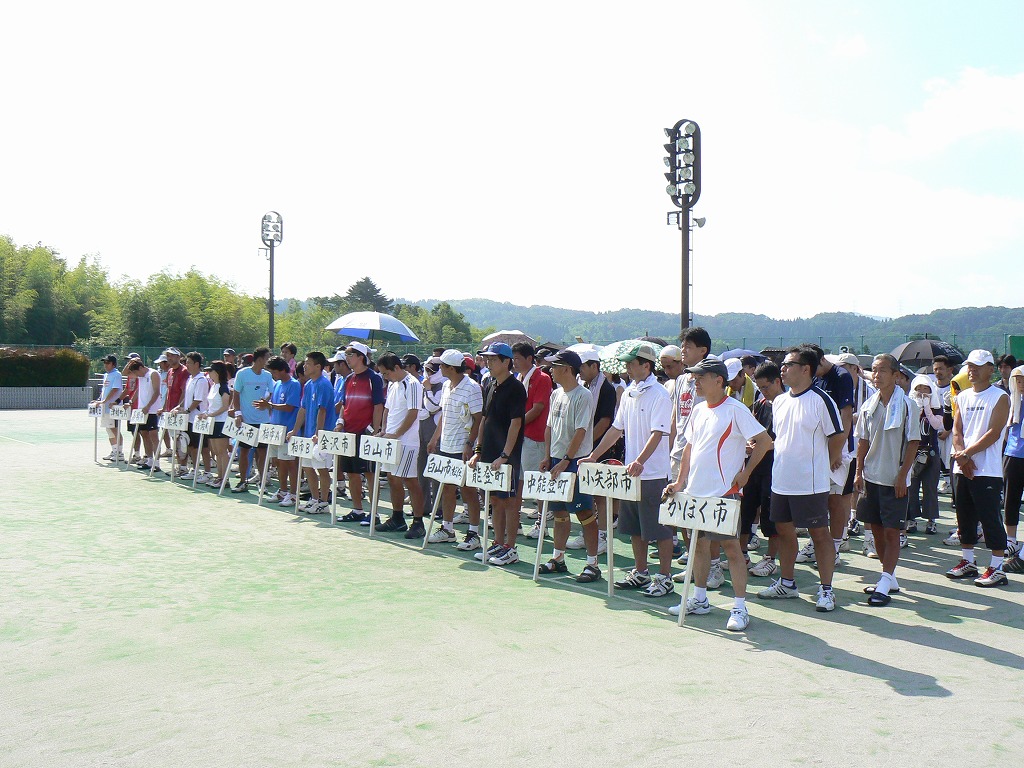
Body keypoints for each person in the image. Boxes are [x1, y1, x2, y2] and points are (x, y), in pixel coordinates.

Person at [665, 358, 772, 630]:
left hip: (724, 493)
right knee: (698, 546)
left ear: (718, 380)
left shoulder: (735, 409)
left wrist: (746, 474)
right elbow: (689, 448)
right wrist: (679, 482)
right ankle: (700, 599)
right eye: (694, 378)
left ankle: (740, 607)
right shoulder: (698, 410)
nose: (695, 383)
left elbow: (764, 442)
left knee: (731, 549)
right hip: (696, 493)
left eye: (700, 378)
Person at [581, 342, 675, 598]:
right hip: (631, 473)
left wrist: (640, 460)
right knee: (634, 527)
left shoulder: (659, 394)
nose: (627, 368)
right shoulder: (629, 392)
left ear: (646, 365)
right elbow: (616, 428)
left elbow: (658, 433)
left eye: (632, 364)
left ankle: (665, 577)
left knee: (660, 529)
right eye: (627, 364)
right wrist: (593, 455)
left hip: (654, 473)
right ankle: (641, 572)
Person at [757, 346, 846, 612]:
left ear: (806, 369)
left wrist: (825, 463)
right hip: (781, 481)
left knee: (819, 534)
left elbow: (837, 436)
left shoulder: (821, 400)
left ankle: (827, 590)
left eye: (788, 365)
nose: (782, 369)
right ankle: (787, 583)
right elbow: (780, 438)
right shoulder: (780, 401)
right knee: (784, 531)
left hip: (811, 483)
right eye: (782, 365)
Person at [854, 354, 921, 606]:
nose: (877, 375)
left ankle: (884, 581)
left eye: (882, 370)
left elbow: (913, 442)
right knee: (876, 530)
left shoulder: (908, 405)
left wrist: (903, 475)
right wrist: (858, 472)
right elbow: (862, 441)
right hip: (871, 477)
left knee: (892, 531)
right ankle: (888, 578)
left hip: (895, 479)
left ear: (896, 375)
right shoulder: (868, 405)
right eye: (874, 370)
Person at [946, 350, 1010, 587]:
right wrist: (962, 456)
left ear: (990, 369)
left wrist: (966, 454)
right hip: (962, 467)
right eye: (970, 366)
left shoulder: (1000, 397)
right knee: (964, 517)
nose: (972, 370)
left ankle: (997, 567)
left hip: (987, 470)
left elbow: (994, 432)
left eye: (978, 366)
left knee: (990, 518)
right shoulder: (962, 397)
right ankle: (968, 561)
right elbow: (957, 430)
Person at [537, 350, 602, 582]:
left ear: (566, 369)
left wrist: (566, 459)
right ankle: (558, 558)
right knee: (559, 512)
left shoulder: (583, 395)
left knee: (584, 512)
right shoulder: (556, 394)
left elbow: (581, 431)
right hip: (558, 460)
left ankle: (592, 564)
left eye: (555, 366)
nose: (550, 370)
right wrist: (548, 456)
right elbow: (549, 427)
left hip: (576, 461)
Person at [469, 343, 527, 565]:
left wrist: (505, 454)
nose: (488, 363)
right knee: (494, 499)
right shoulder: (490, 384)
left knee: (510, 500)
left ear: (506, 361)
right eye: (487, 359)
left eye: (493, 359)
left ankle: (510, 547)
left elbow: (516, 423)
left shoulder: (516, 388)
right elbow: (484, 419)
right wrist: (478, 450)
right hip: (489, 452)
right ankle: (498, 543)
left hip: (507, 455)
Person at [800, 344, 855, 569]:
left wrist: (837, 451)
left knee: (835, 500)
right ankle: (816, 544)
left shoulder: (842, 376)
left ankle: (835, 547)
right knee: (816, 500)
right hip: (817, 449)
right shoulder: (815, 379)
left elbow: (846, 415)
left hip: (838, 449)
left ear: (821, 360)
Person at [426, 349, 484, 547]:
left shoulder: (472, 387)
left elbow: (478, 419)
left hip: (463, 447)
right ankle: (447, 529)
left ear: (451, 368)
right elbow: (445, 414)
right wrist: (435, 439)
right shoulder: (446, 386)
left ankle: (474, 533)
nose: (439, 369)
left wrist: (470, 444)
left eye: (441, 365)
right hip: (446, 445)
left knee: (468, 491)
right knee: (447, 488)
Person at [565, 349, 616, 555]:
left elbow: (605, 421)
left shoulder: (607, 388)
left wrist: (588, 442)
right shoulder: (586, 386)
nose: (580, 371)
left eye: (583, 367)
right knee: (589, 492)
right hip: (588, 447)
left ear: (594, 366)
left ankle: (602, 536)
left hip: (600, 447)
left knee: (601, 494)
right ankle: (589, 533)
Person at [375, 352, 426, 536]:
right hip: (391, 441)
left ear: (396, 368)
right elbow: (387, 409)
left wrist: (397, 433)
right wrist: (383, 430)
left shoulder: (413, 384)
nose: (385, 377)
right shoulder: (393, 384)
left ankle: (418, 523)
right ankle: (397, 518)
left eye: (386, 373)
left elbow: (413, 413)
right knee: (392, 477)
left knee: (410, 480)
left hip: (408, 442)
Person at [335, 342, 386, 525]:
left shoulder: (374, 378)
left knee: (370, 473)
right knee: (351, 473)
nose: (347, 358)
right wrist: (340, 422)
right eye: (346, 355)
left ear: (361, 357)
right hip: (348, 433)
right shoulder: (348, 379)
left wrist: (374, 430)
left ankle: (374, 513)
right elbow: (345, 404)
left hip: (366, 434)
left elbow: (378, 406)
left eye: (350, 354)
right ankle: (357, 510)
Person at [746, 361, 785, 577]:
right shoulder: (760, 404)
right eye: (759, 387)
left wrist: (764, 446)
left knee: (771, 515)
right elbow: (751, 430)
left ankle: (771, 558)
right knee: (746, 510)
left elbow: (788, 440)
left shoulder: (787, 405)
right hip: (755, 465)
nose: (763, 391)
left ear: (777, 382)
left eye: (766, 387)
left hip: (775, 467)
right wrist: (750, 443)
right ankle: (742, 554)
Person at [288, 351, 338, 514]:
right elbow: (303, 409)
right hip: (308, 435)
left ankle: (324, 502)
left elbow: (322, 410)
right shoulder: (309, 384)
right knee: (308, 467)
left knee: (321, 468)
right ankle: (315, 499)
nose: (304, 366)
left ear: (318, 366)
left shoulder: (324, 384)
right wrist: (295, 430)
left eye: (308, 363)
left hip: (322, 436)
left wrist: (318, 433)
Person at [514, 343, 553, 535]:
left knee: (538, 482)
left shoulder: (542, 378)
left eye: (517, 358)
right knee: (519, 481)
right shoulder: (519, 378)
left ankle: (542, 523)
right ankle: (516, 522)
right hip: (521, 436)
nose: (514, 362)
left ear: (530, 359)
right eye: (513, 358)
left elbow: (538, 408)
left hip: (536, 437)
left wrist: (516, 424)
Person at [256, 356, 302, 506]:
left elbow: (290, 407)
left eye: (274, 372)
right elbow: (273, 405)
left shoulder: (294, 384)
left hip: (288, 430)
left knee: (290, 463)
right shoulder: (277, 385)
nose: (273, 375)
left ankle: (293, 494)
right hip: (275, 431)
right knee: (278, 462)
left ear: (283, 370)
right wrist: (267, 406)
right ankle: (283, 491)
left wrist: (269, 405)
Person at [906, 375, 945, 537]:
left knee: (930, 487)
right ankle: (911, 519)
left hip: (930, 452)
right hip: (913, 452)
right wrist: (917, 408)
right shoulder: (908, 406)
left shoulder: (937, 407)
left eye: (925, 388)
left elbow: (937, 425)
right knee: (911, 487)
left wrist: (927, 408)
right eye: (918, 388)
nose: (922, 392)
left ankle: (931, 520)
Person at [230, 347, 273, 493]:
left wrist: (266, 402)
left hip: (263, 421)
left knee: (262, 452)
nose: (268, 360)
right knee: (244, 451)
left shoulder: (267, 375)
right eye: (267, 357)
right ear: (260, 359)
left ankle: (262, 482)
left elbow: (270, 393)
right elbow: (236, 394)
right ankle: (243, 482)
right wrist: (238, 413)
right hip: (246, 420)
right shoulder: (242, 373)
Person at [175, 352, 211, 482]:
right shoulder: (190, 378)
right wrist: (179, 407)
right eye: (186, 363)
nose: (187, 365)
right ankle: (195, 470)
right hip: (190, 419)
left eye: (189, 363)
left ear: (197, 364)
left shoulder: (201, 380)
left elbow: (198, 400)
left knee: (204, 447)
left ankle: (207, 473)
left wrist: (187, 410)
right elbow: (187, 397)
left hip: (200, 419)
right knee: (192, 446)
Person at [1002, 365, 1024, 573]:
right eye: (1017, 380)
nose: (1020, 384)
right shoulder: (1013, 401)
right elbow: (1007, 428)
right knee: (1010, 498)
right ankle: (1011, 540)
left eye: (1023, 379)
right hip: (1013, 454)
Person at [417, 356, 445, 518]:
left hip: (435, 434)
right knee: (421, 471)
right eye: (427, 370)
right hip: (421, 432)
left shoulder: (443, 386)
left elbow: (433, 407)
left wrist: (427, 389)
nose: (428, 374)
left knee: (436, 473)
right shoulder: (423, 385)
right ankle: (423, 506)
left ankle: (439, 508)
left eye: (432, 371)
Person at [125, 358, 162, 470]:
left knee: (153, 436)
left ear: (141, 368)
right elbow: (138, 389)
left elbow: (157, 392)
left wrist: (148, 406)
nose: (136, 375)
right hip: (141, 411)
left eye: (136, 372)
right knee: (144, 434)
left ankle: (157, 463)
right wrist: (131, 401)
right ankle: (149, 460)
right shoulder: (141, 377)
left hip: (152, 411)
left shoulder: (153, 374)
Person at [205, 361, 232, 488]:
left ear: (217, 372)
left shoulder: (223, 387)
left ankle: (224, 479)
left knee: (222, 452)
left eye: (211, 371)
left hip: (221, 422)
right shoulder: (213, 386)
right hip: (212, 422)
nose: (209, 373)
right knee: (216, 451)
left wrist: (211, 415)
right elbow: (211, 406)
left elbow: (225, 407)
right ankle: (219, 477)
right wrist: (206, 414)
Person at [93, 354, 124, 460]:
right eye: (104, 362)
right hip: (105, 408)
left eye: (108, 363)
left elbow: (115, 389)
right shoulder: (106, 375)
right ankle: (114, 451)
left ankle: (120, 453)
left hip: (113, 408)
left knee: (115, 429)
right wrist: (99, 400)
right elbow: (104, 391)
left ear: (113, 364)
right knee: (109, 429)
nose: (105, 365)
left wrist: (104, 401)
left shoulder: (117, 374)